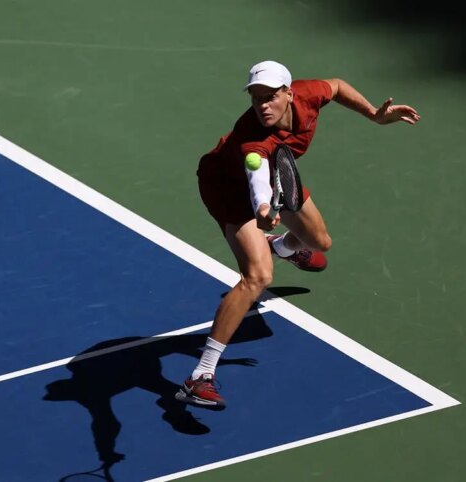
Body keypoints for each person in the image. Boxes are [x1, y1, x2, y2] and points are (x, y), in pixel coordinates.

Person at [175, 60, 421, 409]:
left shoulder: (308, 95)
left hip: (279, 172)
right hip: (227, 188)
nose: (263, 105)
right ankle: (200, 376)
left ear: (289, 94)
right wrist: (262, 210)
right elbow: (256, 176)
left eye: (271, 97)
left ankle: (284, 247)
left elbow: (335, 85)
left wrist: (373, 114)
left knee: (320, 242)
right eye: (256, 98)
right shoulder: (252, 137)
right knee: (257, 276)